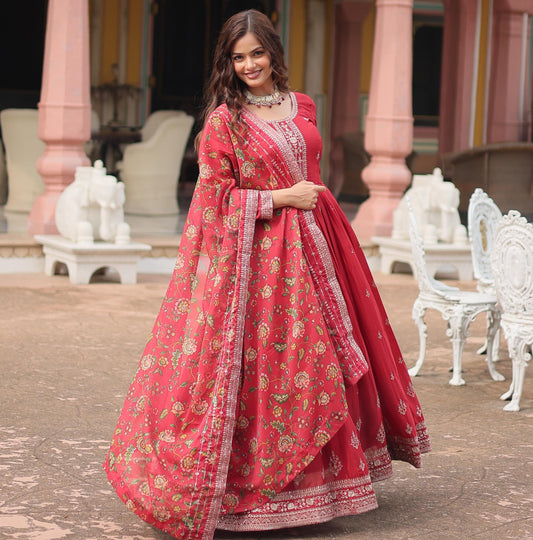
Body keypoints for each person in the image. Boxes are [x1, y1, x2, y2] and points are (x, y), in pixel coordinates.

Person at [104, 9, 430, 539]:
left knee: (329, 356)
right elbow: (212, 205)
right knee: (282, 365)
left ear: (273, 53)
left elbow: (313, 171)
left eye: (257, 53)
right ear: (227, 64)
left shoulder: (302, 105)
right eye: (238, 57)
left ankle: (324, 488)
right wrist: (280, 197)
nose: (249, 64)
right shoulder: (223, 123)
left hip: (323, 245)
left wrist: (310, 207)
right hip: (261, 264)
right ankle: (258, 494)